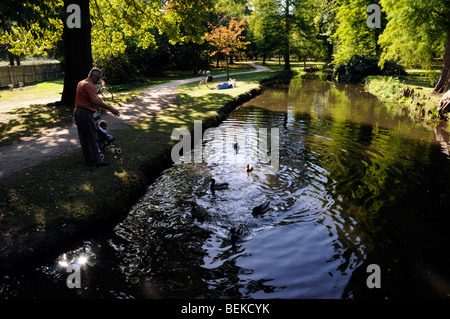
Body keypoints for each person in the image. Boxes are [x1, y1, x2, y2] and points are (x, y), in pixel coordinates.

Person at [74, 68, 120, 167]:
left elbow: (88, 99)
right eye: (98, 77)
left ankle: (88, 160)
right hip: (85, 114)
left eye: (100, 78)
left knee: (83, 138)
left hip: (78, 112)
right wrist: (111, 109)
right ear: (92, 76)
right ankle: (97, 161)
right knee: (92, 137)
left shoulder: (81, 82)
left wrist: (97, 106)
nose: (99, 80)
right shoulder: (89, 85)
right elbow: (95, 100)